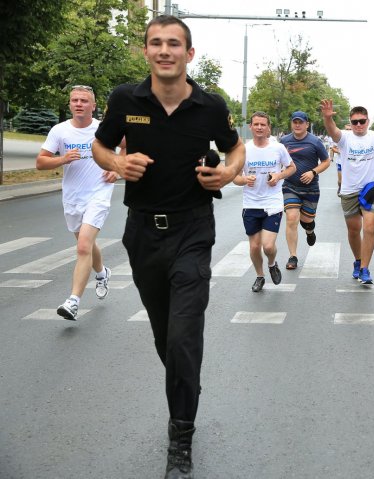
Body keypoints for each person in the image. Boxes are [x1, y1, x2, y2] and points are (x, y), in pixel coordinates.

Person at [92, 15, 245, 479]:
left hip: (193, 231)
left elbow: (235, 149)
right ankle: (185, 381)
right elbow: (100, 147)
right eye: (155, 43)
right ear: (146, 52)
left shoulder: (210, 106)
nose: (164, 51)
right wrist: (118, 162)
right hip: (141, 234)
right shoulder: (125, 99)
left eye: (173, 44)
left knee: (182, 336)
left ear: (189, 54)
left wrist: (228, 173)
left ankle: (181, 434)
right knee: (166, 338)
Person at [36, 85, 117, 320]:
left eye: (84, 100)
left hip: (99, 193)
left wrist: (117, 168)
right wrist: (62, 159)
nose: (79, 104)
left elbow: (127, 145)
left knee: (82, 246)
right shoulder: (59, 131)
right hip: (72, 197)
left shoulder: (104, 128)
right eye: (74, 100)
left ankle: (73, 302)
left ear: (93, 105)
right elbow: (41, 162)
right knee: (87, 244)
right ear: (70, 104)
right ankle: (102, 273)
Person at [320, 100, 374, 284]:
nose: (359, 125)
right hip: (349, 191)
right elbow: (332, 131)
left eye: (362, 121)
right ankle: (358, 260)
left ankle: (365, 269)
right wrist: (327, 118)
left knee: (369, 227)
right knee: (354, 230)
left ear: (368, 121)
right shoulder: (345, 138)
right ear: (350, 123)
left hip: (371, 188)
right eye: (355, 122)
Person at [233, 112, 296, 292]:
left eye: (263, 124)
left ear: (268, 128)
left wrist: (278, 175)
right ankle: (260, 276)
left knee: (268, 246)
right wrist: (245, 180)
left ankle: (272, 263)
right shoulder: (243, 150)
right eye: (256, 124)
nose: (259, 127)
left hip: (272, 203)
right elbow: (235, 177)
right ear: (251, 127)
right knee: (254, 247)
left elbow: (292, 168)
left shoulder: (278, 148)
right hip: (251, 204)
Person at [279, 111, 331, 270]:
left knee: (306, 220)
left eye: (300, 122)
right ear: (291, 124)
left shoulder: (315, 141)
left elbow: (326, 161)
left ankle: (310, 231)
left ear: (306, 124)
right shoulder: (284, 141)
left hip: (311, 188)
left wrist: (313, 172)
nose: (297, 125)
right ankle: (293, 256)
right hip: (290, 186)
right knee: (292, 217)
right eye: (295, 122)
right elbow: (277, 160)